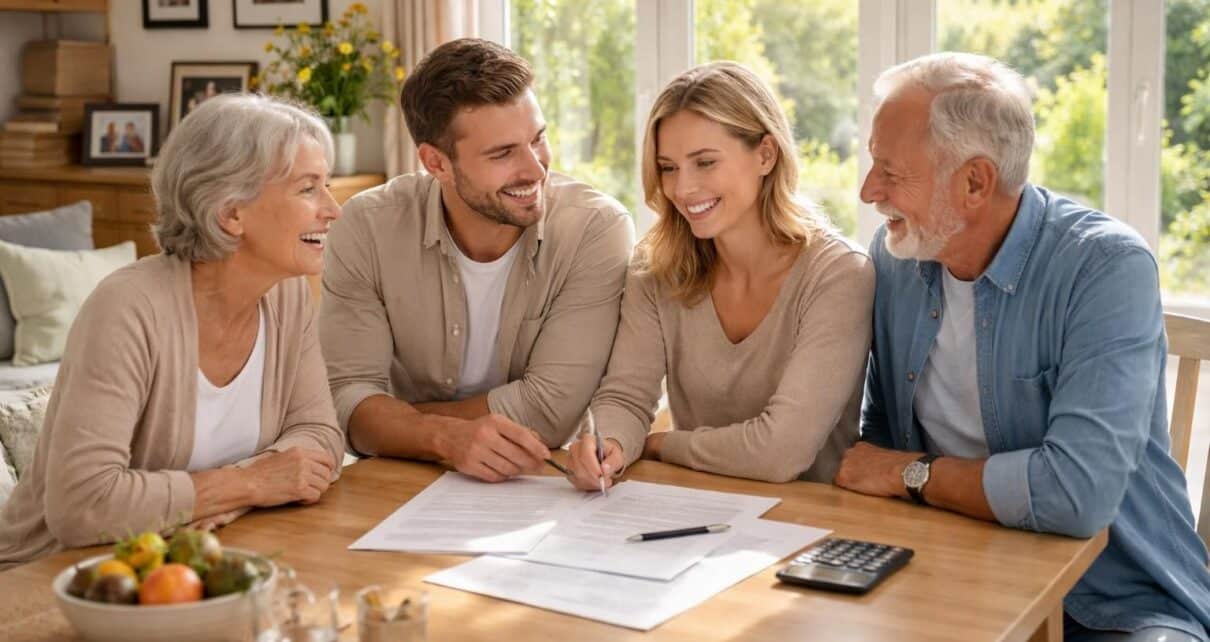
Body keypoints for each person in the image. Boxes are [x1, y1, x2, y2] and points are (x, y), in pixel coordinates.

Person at [832, 52, 1210, 641]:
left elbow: (1074, 495)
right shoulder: (897, 260)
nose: (867, 191)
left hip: (1115, 606)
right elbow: (878, 440)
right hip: (949, 578)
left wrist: (912, 474)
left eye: (890, 170)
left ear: (975, 182)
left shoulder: (1106, 268)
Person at [0, 94, 345, 569]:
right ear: (231, 212)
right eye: (309, 189)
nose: (333, 209)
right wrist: (250, 483)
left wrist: (232, 496)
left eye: (326, 186)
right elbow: (80, 505)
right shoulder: (128, 308)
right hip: (58, 580)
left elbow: (319, 432)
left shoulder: (286, 297)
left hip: (192, 564)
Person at [320, 38, 634, 483]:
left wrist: (397, 423)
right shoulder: (367, 227)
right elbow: (345, 400)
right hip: (396, 487)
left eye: (538, 139)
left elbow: (548, 411)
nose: (535, 168)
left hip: (543, 484)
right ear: (436, 163)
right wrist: (440, 438)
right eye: (503, 153)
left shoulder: (595, 230)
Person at [563, 61, 872, 490]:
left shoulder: (839, 276)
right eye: (668, 167)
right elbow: (627, 397)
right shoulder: (655, 269)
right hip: (696, 514)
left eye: (705, 163)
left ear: (766, 154)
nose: (683, 189)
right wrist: (609, 443)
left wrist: (662, 446)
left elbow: (781, 452)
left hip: (811, 524)